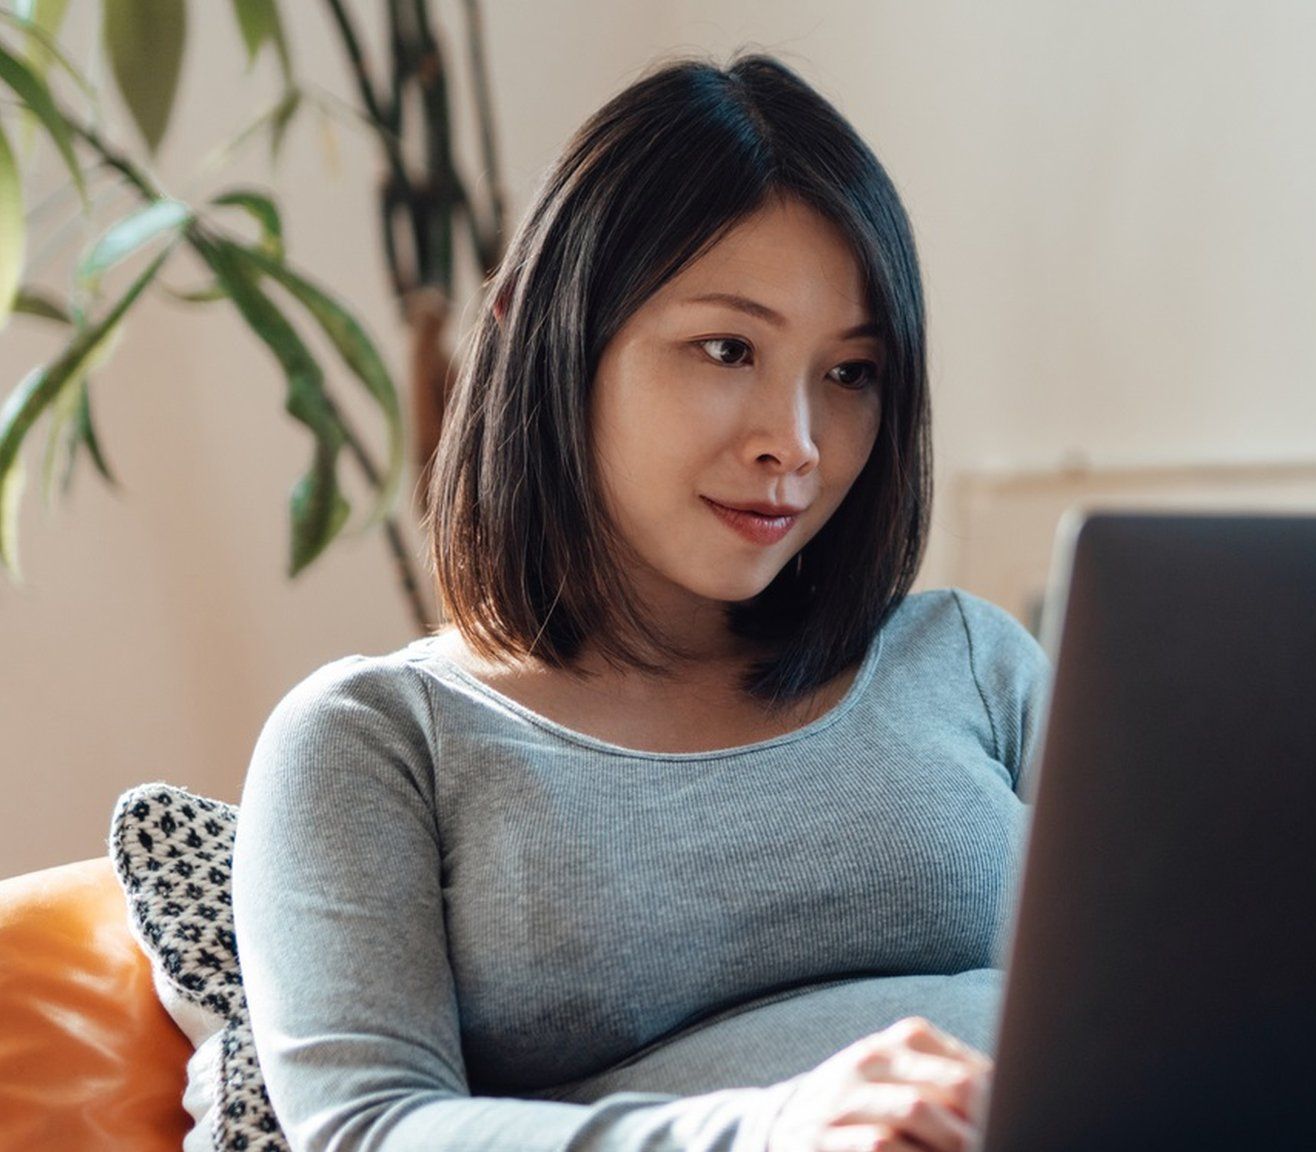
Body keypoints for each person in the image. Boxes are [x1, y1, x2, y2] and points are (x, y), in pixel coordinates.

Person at [233, 54, 1050, 1152]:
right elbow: (366, 1128)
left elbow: (1202, 972)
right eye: (727, 349)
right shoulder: (379, 740)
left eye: (848, 373)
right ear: (548, 335)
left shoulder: (971, 663)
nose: (794, 444)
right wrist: (765, 1133)